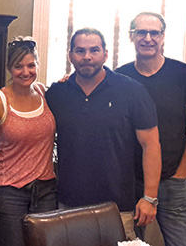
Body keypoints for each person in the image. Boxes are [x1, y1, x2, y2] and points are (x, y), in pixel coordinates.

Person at [45, 28, 162, 240]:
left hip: (118, 207)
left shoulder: (132, 91)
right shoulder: (56, 94)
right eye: (80, 51)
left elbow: (151, 145)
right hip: (68, 205)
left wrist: (150, 197)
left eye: (94, 50)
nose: (87, 56)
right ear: (70, 55)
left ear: (105, 54)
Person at [116, 12, 186, 246]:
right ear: (131, 36)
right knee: (129, 245)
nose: (148, 38)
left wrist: (181, 174)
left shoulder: (183, 74)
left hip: (172, 181)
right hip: (131, 181)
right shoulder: (120, 76)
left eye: (154, 33)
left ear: (163, 37)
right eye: (141, 32)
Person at [0, 36, 57, 246]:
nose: (26, 72)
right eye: (18, 67)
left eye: (31, 65)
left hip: (46, 189)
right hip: (9, 190)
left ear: (37, 65)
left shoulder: (46, 93)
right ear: (9, 68)